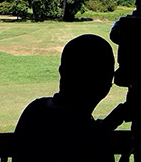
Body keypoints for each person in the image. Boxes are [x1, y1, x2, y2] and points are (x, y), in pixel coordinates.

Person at [13, 34, 121, 162]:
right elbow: (80, 136)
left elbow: (69, 132)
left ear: (61, 71)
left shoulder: (34, 110)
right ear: (107, 83)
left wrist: (105, 126)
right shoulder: (90, 137)